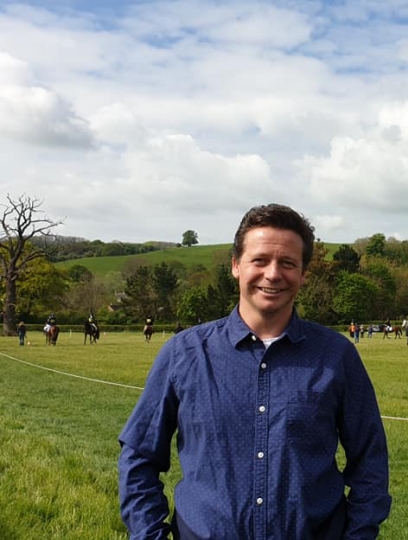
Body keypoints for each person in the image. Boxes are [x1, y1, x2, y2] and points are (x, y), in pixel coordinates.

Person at [118, 204, 391, 539]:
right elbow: (138, 458)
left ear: (304, 273)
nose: (273, 274)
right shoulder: (184, 354)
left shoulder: (337, 356)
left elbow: (370, 462)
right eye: (260, 260)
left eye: (287, 263)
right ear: (236, 266)